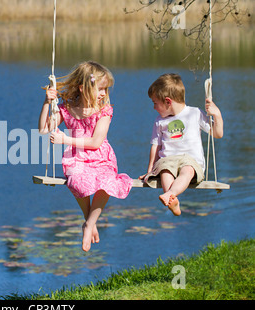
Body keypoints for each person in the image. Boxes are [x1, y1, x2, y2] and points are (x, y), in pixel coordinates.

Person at [38, 61, 132, 252]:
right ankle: (90, 221)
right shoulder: (66, 109)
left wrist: (66, 140)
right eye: (101, 89)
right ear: (83, 88)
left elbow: (96, 142)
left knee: (107, 182)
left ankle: (89, 223)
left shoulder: (104, 111)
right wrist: (47, 103)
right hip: (77, 158)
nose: (104, 94)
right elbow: (43, 129)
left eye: (106, 89)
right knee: (78, 182)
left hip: (101, 157)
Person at [139, 73, 224, 216]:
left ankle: (171, 193)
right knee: (165, 172)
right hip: (167, 160)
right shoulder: (160, 121)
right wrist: (150, 171)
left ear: (167, 101)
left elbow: (217, 134)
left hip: (190, 160)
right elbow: (155, 146)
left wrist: (217, 115)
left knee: (187, 170)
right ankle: (173, 201)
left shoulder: (194, 113)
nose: (154, 108)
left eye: (155, 103)